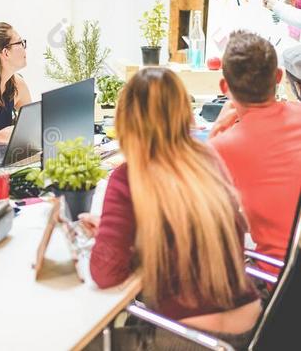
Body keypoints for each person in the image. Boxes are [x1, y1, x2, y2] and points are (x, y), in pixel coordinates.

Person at [81, 68, 260, 350]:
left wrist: (109, 236)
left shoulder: (129, 176)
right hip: (252, 329)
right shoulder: (206, 159)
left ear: (125, 119)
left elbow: (105, 275)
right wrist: (118, 230)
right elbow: (183, 232)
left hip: (188, 337)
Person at [209, 31, 301, 274]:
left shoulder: (223, 146)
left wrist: (216, 131)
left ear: (224, 87)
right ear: (279, 77)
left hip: (278, 286)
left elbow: (197, 212)